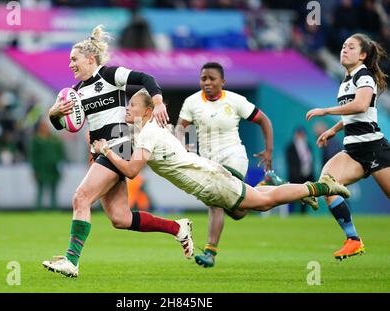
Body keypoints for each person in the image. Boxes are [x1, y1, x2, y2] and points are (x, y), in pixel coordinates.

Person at [92, 89, 351, 262]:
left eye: (133, 105)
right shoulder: (150, 129)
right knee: (252, 203)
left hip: (211, 183)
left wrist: (106, 151)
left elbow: (131, 171)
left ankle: (320, 186)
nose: (127, 108)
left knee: (263, 203)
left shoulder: (148, 132)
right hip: (211, 175)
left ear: (148, 111)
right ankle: (298, 188)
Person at [43, 25, 193, 278]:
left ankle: (71, 260)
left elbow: (146, 79)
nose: (70, 65)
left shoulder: (110, 75)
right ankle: (177, 228)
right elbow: (67, 126)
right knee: (120, 218)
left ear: (90, 59)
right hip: (103, 150)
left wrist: (157, 103)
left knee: (81, 198)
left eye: (74, 59)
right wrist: (53, 114)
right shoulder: (77, 92)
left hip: (119, 144)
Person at [176, 62, 278, 268]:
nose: (207, 82)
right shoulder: (192, 102)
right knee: (238, 212)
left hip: (234, 157)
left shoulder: (235, 100)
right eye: (203, 78)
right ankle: (261, 188)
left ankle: (210, 252)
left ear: (222, 81)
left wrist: (269, 151)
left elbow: (264, 120)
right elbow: (180, 127)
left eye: (212, 78)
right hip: (208, 161)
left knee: (216, 201)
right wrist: (182, 145)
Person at [306, 33, 390, 260]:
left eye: (351, 47)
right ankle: (353, 239)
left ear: (362, 55)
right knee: (327, 185)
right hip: (353, 151)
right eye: (343, 46)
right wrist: (334, 129)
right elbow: (354, 113)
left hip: (374, 148)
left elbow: (361, 105)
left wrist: (326, 111)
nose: (344, 49)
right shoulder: (346, 79)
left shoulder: (365, 76)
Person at [29, 119, 66, 211]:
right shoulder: (37, 140)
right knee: (40, 188)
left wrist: (61, 165)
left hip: (53, 168)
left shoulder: (55, 140)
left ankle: (54, 208)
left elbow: (61, 153)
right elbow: (33, 156)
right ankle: (38, 208)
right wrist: (34, 169)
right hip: (41, 168)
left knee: (54, 189)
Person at [285, 126, 315, 214]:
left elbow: (311, 162)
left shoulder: (308, 146)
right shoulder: (290, 147)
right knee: (293, 198)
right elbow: (290, 163)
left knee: (305, 198)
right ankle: (292, 214)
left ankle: (303, 215)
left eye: (302, 134)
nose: (301, 136)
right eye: (299, 134)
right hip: (295, 178)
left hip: (306, 176)